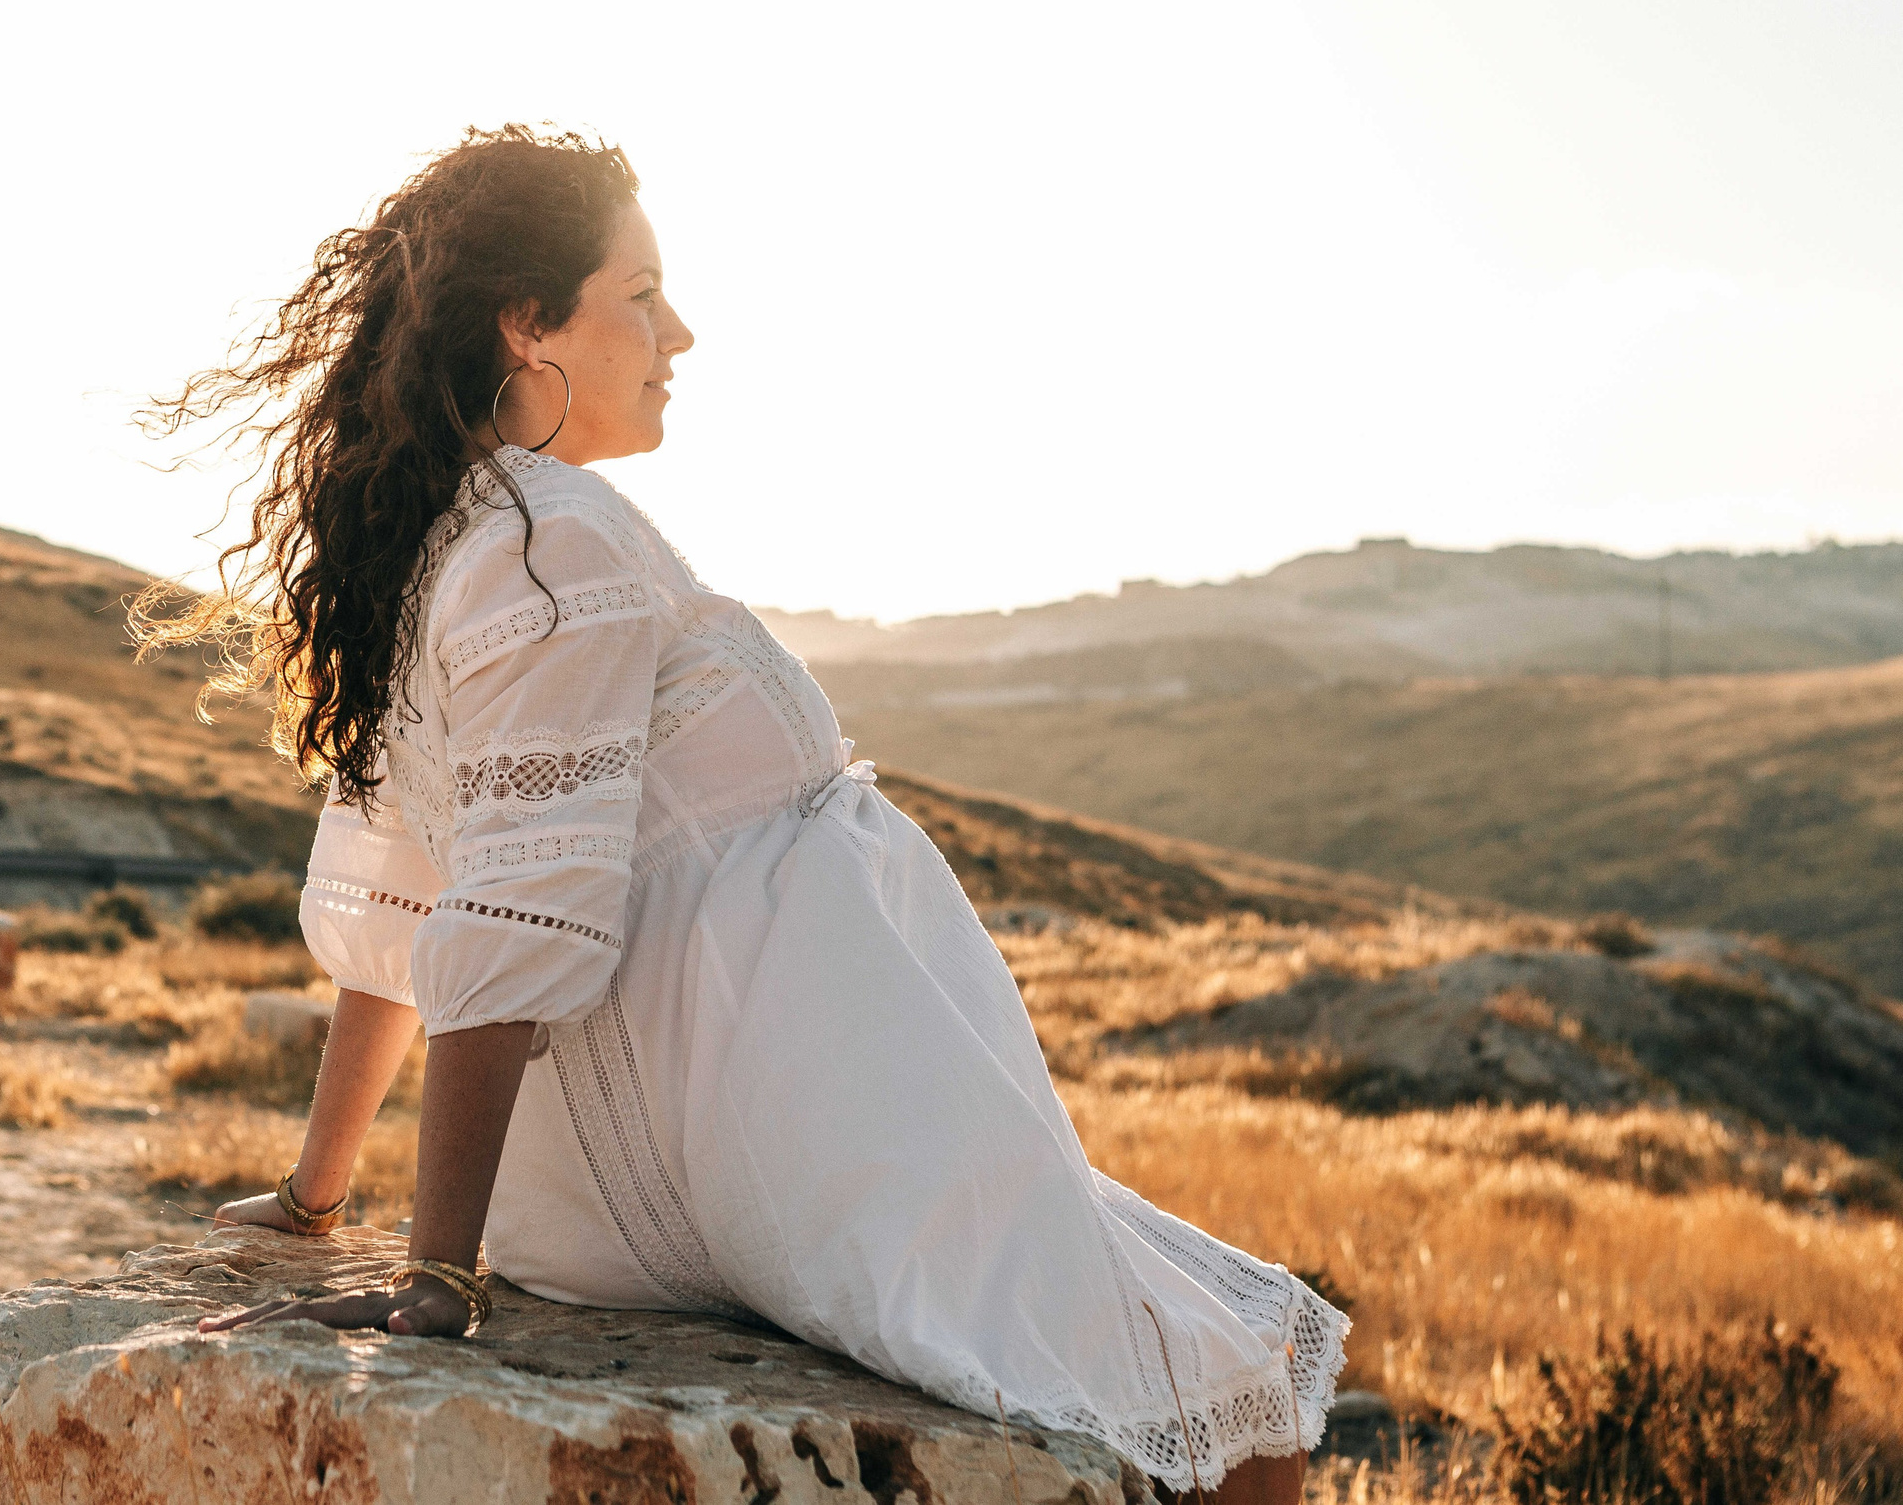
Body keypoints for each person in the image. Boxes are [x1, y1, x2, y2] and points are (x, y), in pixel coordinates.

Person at [137, 126, 1343, 1501]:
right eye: (639, 295)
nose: (682, 334)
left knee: (1210, 1346)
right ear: (529, 327)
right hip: (781, 1114)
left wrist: (318, 1193)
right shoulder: (555, 540)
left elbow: (406, 890)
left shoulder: (444, 542)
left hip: (642, 1151)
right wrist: (433, 1274)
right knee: (1240, 1406)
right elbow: (502, 908)